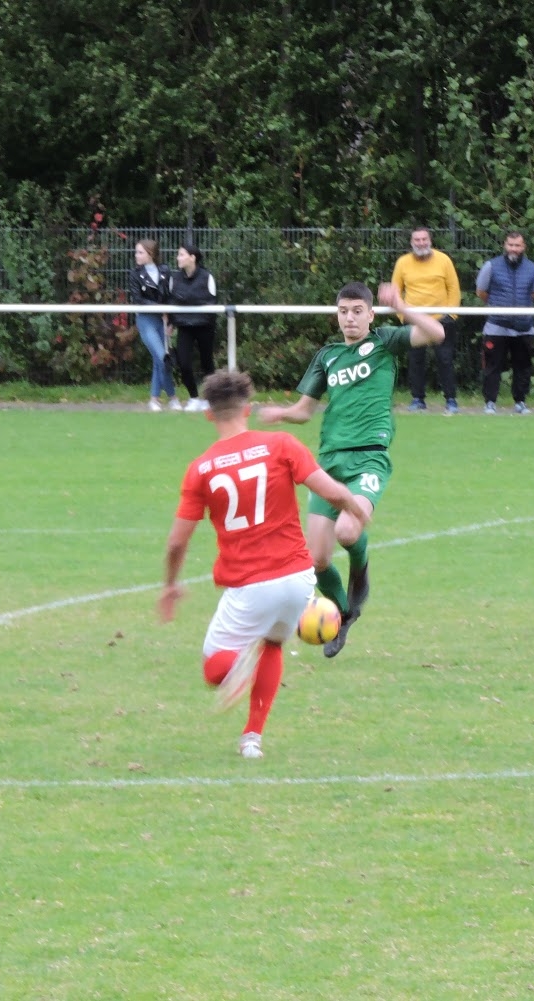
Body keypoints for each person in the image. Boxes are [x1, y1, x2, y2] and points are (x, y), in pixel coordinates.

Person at [158, 369, 370, 759]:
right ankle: (252, 738)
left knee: (215, 670)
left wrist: (171, 584)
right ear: (248, 409)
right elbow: (332, 492)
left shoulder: (202, 469)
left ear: (209, 414)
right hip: (299, 578)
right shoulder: (281, 445)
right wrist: (356, 510)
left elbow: (176, 542)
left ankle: (241, 666)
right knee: (272, 643)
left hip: (250, 584)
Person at [257, 281, 444, 658]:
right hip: (328, 463)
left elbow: (435, 332)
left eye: (358, 311)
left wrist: (401, 305)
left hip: (369, 458)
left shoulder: (385, 341)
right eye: (344, 312)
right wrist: (281, 413)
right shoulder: (327, 356)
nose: (350, 318)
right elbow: (305, 411)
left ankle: (361, 569)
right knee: (316, 560)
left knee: (347, 530)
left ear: (371, 314)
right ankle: (343, 614)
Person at [392, 226, 462, 414]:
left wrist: (451, 315)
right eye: (417, 240)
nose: (421, 243)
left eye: (424, 239)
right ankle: (418, 399)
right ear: (411, 242)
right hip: (414, 320)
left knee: (445, 359)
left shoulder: (444, 260)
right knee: (415, 360)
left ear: (430, 241)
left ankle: (451, 400)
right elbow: (395, 291)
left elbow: (454, 288)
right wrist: (403, 316)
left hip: (441, 320)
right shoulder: (403, 262)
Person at [477, 231, 534, 414]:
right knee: (492, 367)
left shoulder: (532, 268)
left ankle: (520, 402)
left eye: (517, 245)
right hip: (496, 326)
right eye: (510, 245)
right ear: (505, 245)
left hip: (524, 327)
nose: (514, 248)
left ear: (523, 247)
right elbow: (481, 291)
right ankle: (490, 402)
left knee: (523, 367)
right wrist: (497, 306)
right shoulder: (491, 266)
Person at [128, 238, 179, 411]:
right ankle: (171, 397)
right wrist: (159, 308)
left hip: (162, 320)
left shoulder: (165, 270)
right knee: (161, 357)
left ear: (150, 254)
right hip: (146, 319)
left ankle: (156, 399)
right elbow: (138, 299)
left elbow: (170, 296)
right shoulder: (135, 274)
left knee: (161, 360)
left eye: (140, 252)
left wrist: (171, 321)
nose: (136, 255)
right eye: (136, 252)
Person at [166, 242, 217, 411]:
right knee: (184, 363)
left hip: (205, 326)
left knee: (207, 363)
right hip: (184, 327)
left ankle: (209, 399)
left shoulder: (207, 277)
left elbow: (211, 302)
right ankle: (194, 398)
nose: (178, 258)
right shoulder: (174, 278)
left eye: (181, 254)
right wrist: (171, 323)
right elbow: (172, 302)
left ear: (192, 257)